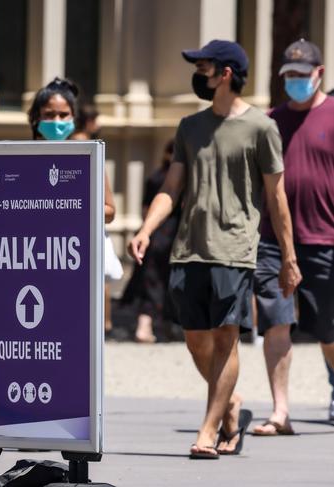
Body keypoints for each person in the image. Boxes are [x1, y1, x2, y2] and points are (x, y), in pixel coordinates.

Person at [128, 39, 301, 459]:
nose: (197, 74)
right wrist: (147, 228)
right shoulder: (190, 127)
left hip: (237, 249)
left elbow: (276, 197)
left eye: (203, 67)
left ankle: (207, 430)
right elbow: (172, 188)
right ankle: (229, 403)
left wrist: (288, 257)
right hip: (190, 249)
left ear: (225, 73)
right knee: (195, 341)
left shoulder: (261, 128)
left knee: (226, 339)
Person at [252, 39, 334, 435]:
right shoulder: (270, 122)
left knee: (327, 330)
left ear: (319, 74)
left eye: (303, 75)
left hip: (325, 238)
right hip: (272, 241)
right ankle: (279, 411)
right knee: (276, 323)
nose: (296, 81)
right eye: (290, 76)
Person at [28, 79, 121, 334]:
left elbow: (110, 211)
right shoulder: (19, 158)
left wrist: (73, 207)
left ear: (73, 117)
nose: (56, 121)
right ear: (36, 117)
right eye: (49, 115)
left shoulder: (88, 156)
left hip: (75, 256)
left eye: (63, 114)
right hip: (33, 259)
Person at [120, 140, 181, 343]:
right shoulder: (168, 180)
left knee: (154, 283)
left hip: (155, 236)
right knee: (155, 284)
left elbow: (146, 210)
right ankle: (146, 327)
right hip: (167, 238)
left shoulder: (156, 177)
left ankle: (158, 327)